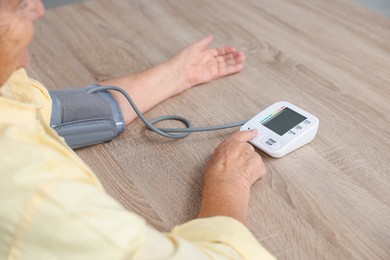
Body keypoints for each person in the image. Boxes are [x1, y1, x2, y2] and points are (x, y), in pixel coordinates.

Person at [0, 0, 275, 259]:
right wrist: (228, 182)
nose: (38, 8)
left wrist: (177, 74)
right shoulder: (32, 191)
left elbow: (55, 111)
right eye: (18, 5)